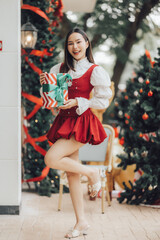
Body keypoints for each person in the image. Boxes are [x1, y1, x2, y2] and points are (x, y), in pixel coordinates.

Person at [40, 27, 112, 239]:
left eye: (79, 42)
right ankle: (81, 222)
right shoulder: (59, 68)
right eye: (71, 43)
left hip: (82, 121)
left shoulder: (94, 70)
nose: (75, 47)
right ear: (67, 47)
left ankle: (92, 173)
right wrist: (46, 86)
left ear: (87, 43)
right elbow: (53, 101)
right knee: (71, 173)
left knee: (51, 158)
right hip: (64, 120)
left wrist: (79, 101)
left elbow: (102, 100)